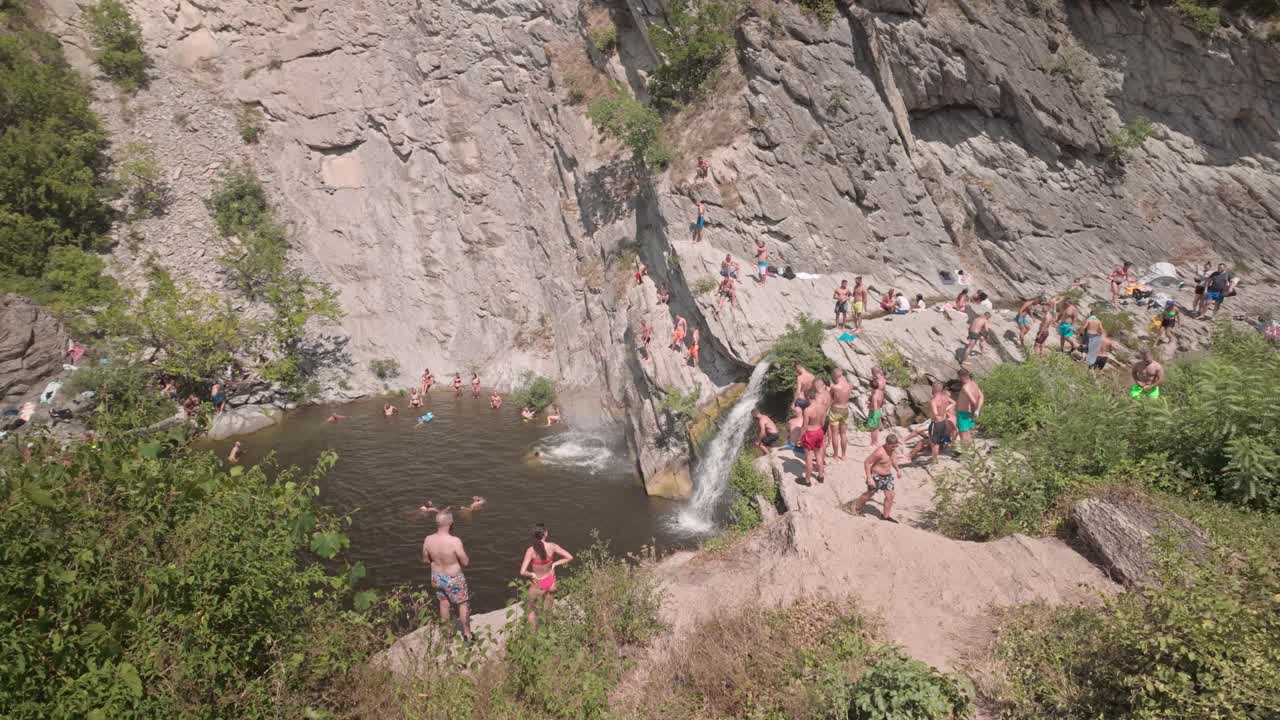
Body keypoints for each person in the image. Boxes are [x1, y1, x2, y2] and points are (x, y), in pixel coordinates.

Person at [422, 511, 473, 642]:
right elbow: (465, 562)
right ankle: (467, 634)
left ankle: (447, 635)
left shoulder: (428, 539)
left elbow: (426, 560)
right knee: (462, 604)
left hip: (437, 577)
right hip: (453, 577)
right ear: (450, 523)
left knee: (444, 604)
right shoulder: (454, 541)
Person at [520, 524, 573, 628]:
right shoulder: (553, 546)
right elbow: (569, 557)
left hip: (538, 583)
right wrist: (554, 564)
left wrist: (532, 574)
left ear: (534, 536)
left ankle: (533, 635)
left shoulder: (531, 550)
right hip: (550, 581)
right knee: (547, 611)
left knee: (531, 610)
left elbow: (522, 572)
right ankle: (547, 631)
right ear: (546, 533)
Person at [853, 434, 901, 523]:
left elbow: (893, 460)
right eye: (892, 446)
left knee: (890, 496)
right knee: (869, 493)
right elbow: (867, 462)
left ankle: (885, 516)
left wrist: (898, 470)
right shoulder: (879, 452)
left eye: (895, 446)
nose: (894, 448)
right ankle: (857, 508)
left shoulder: (893, 450)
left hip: (887, 476)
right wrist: (869, 478)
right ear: (887, 444)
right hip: (876, 476)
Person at [912, 383, 955, 464]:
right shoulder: (945, 397)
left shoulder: (933, 401)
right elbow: (954, 403)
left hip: (936, 423)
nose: (931, 390)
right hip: (943, 422)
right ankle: (935, 457)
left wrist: (935, 415)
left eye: (932, 388)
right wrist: (945, 410)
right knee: (937, 440)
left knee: (934, 443)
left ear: (934, 389)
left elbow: (936, 414)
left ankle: (934, 460)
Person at [800, 385, 826, 484]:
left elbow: (804, 426)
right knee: (819, 455)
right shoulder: (823, 407)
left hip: (810, 434)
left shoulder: (807, 410)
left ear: (807, 398)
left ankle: (807, 480)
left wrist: (800, 438)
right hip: (819, 432)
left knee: (809, 458)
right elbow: (823, 423)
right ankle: (821, 476)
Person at [827, 367, 853, 462]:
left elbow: (829, 398)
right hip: (845, 410)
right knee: (843, 434)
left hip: (835, 409)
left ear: (834, 376)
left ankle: (835, 456)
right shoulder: (850, 385)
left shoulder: (835, 387)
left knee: (835, 434)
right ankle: (844, 455)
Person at [955, 369, 983, 442]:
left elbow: (972, 400)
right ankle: (969, 451)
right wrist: (978, 410)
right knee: (969, 434)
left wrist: (976, 409)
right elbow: (981, 397)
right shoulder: (974, 384)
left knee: (963, 435)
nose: (959, 379)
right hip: (971, 413)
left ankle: (965, 452)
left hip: (963, 414)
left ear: (962, 376)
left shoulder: (965, 387)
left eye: (959, 377)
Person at [865, 374, 886, 446]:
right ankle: (876, 442)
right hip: (878, 411)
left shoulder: (874, 396)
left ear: (871, 387)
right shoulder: (881, 392)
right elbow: (881, 402)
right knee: (876, 428)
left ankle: (873, 443)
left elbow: (874, 406)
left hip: (874, 412)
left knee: (872, 429)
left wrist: (868, 404)